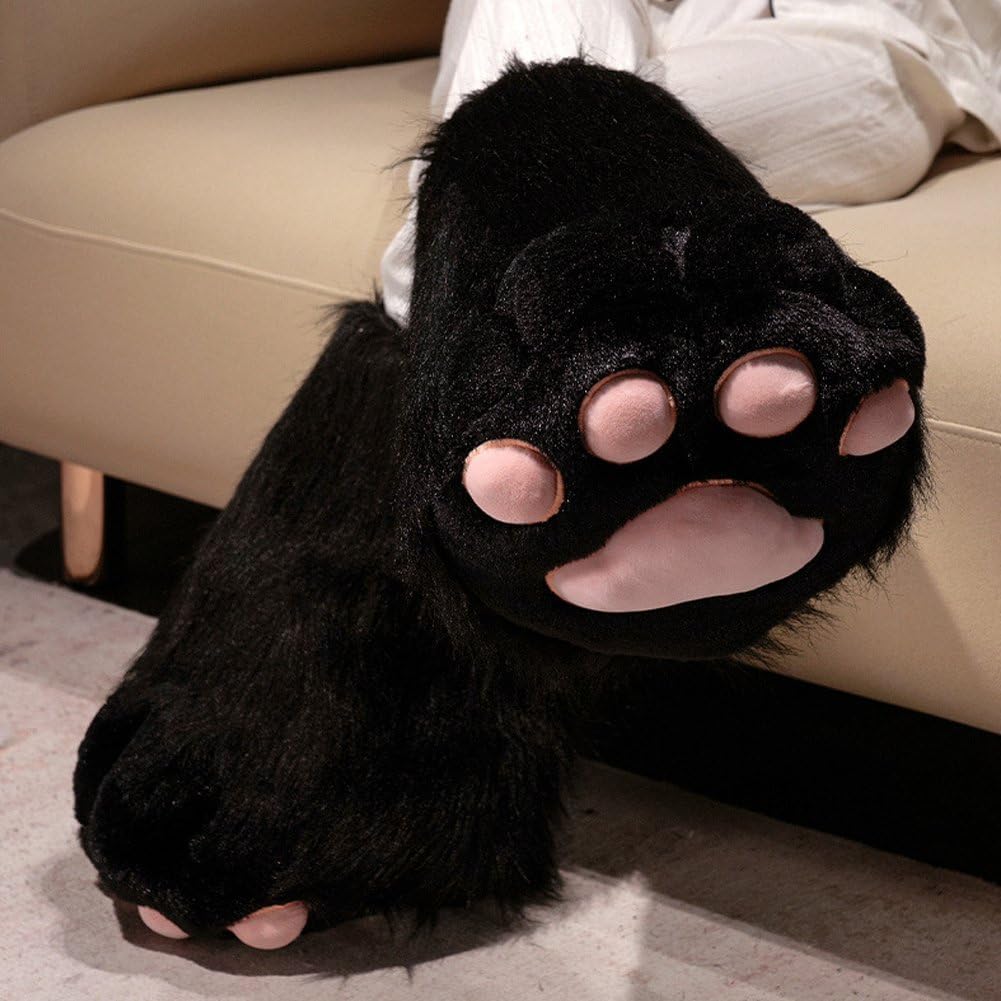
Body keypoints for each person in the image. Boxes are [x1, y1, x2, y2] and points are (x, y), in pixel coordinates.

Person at [381, 0, 1001, 329]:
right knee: (553, 115)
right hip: (637, 20)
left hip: (856, 25)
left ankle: (428, 323)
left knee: (556, 138)